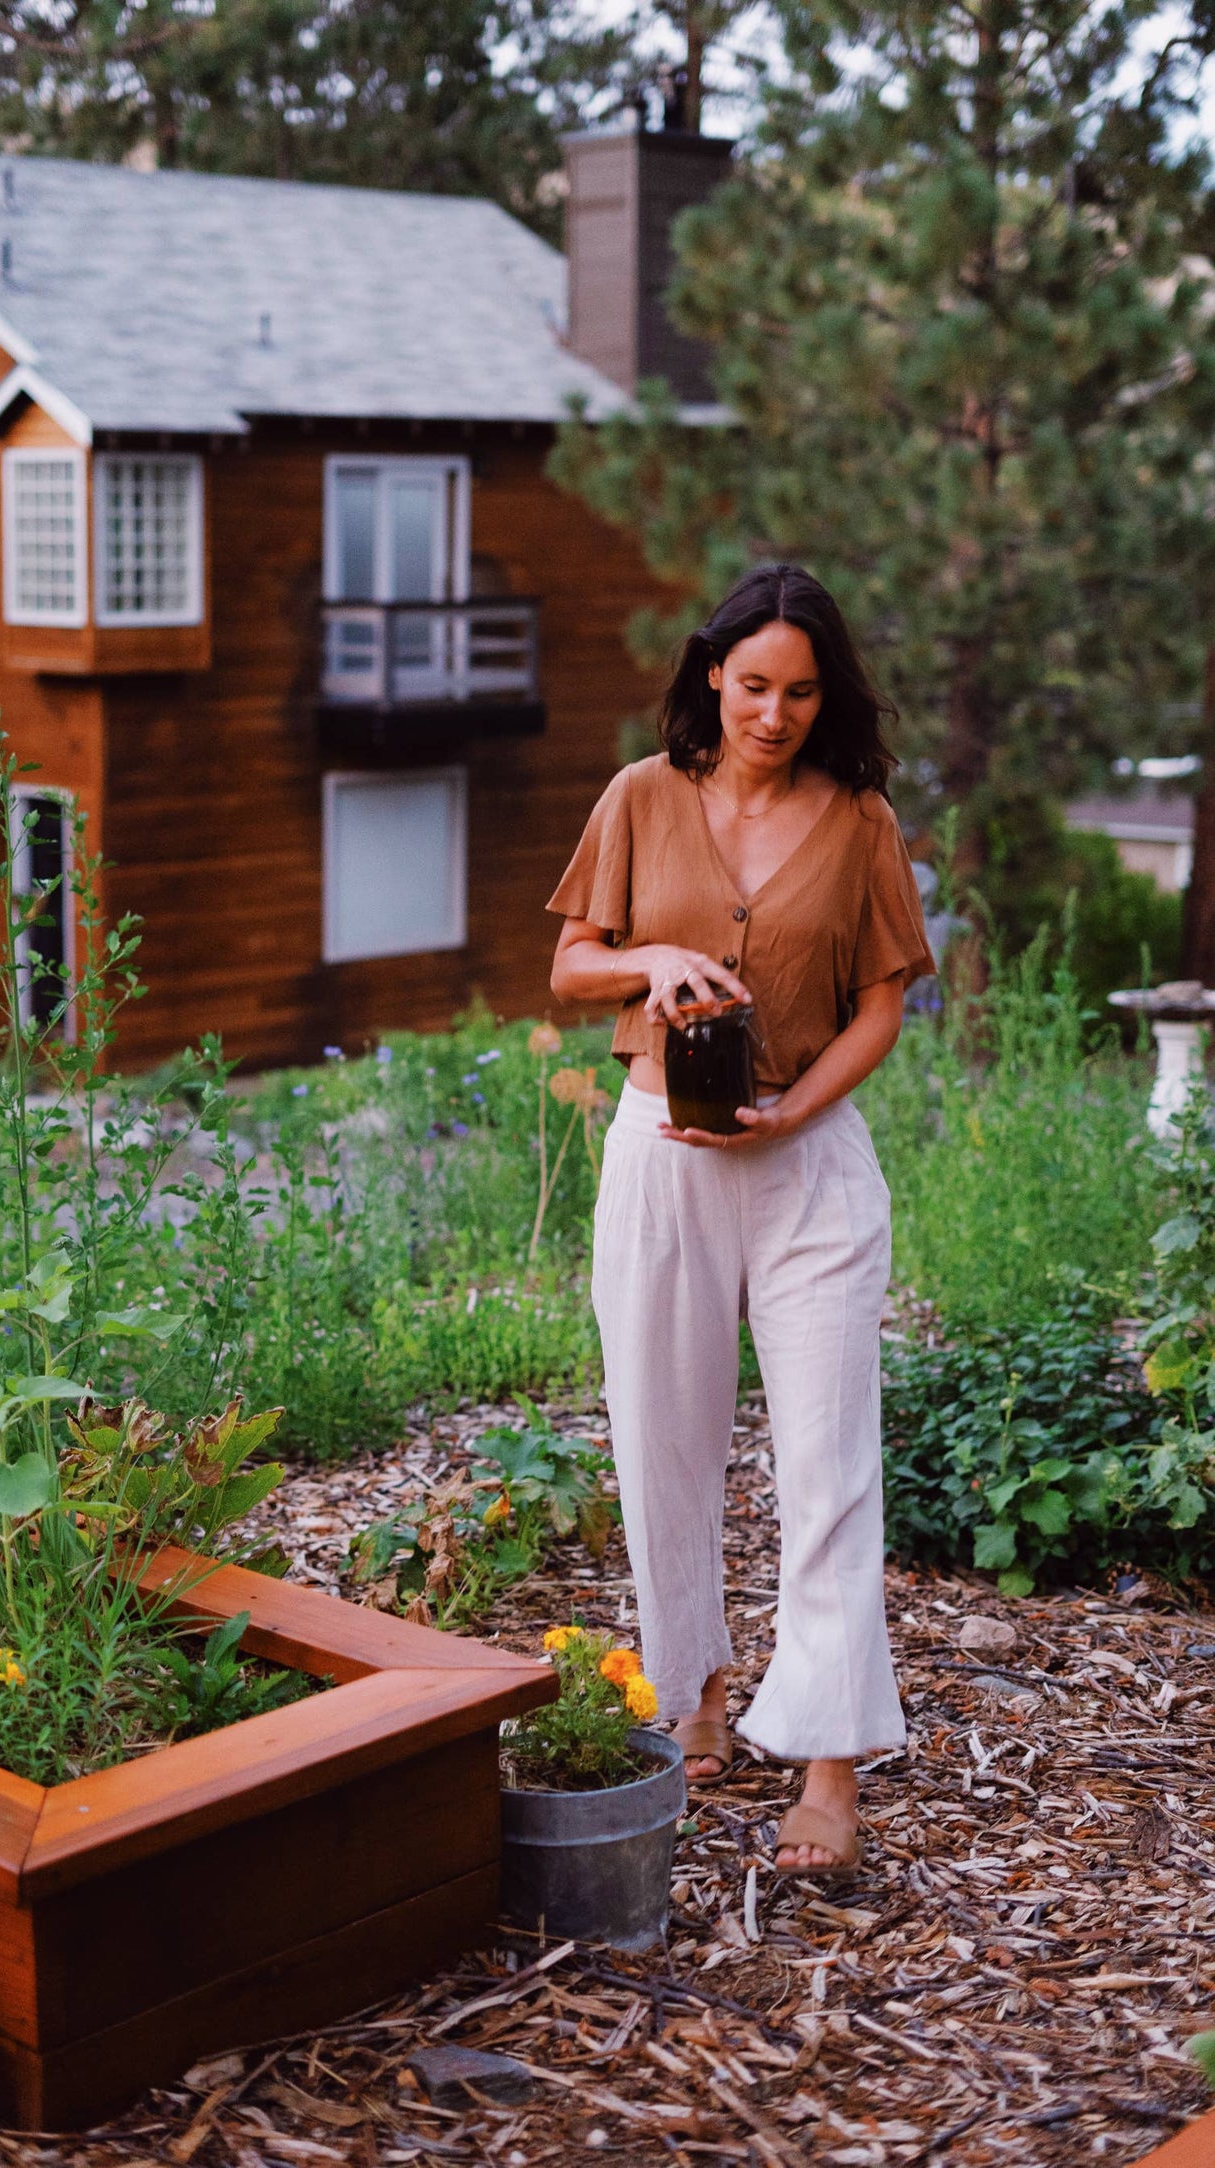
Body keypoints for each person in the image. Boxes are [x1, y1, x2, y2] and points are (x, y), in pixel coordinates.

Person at [547, 563, 935, 1876]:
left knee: (827, 1463)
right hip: (659, 1156)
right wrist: (648, 959)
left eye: (800, 690)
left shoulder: (858, 818)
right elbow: (567, 964)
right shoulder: (639, 799)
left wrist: (794, 1109)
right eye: (754, 683)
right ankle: (692, 1686)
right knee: (662, 1443)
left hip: (809, 1168)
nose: (773, 712)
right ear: (711, 672)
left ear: (826, 696)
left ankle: (827, 1764)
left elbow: (882, 1003)